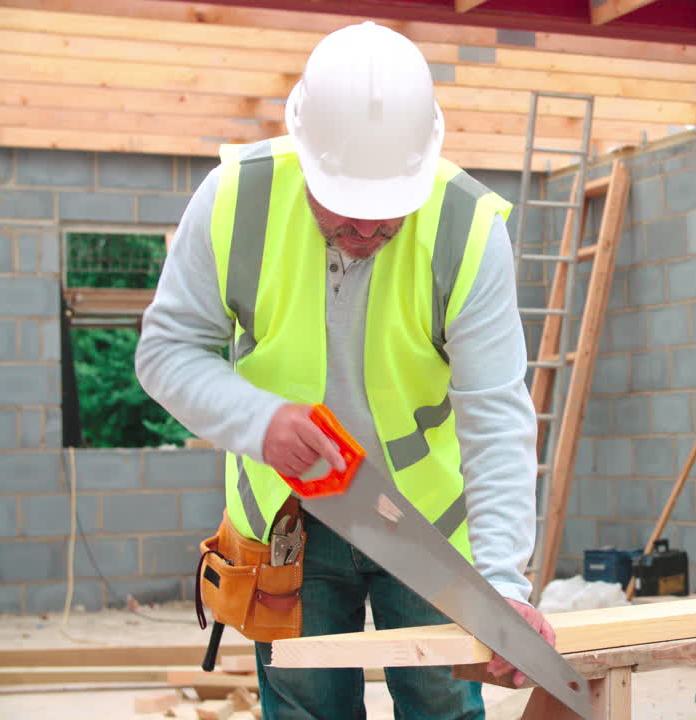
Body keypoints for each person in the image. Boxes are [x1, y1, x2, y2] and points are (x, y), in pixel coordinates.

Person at [136, 21, 551, 720]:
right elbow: (166, 350)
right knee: (307, 708)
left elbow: (494, 411)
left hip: (426, 527)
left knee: (441, 706)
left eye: (389, 212)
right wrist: (259, 422)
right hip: (290, 516)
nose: (368, 231)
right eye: (347, 212)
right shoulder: (232, 200)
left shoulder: (468, 229)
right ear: (306, 158)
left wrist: (503, 581)